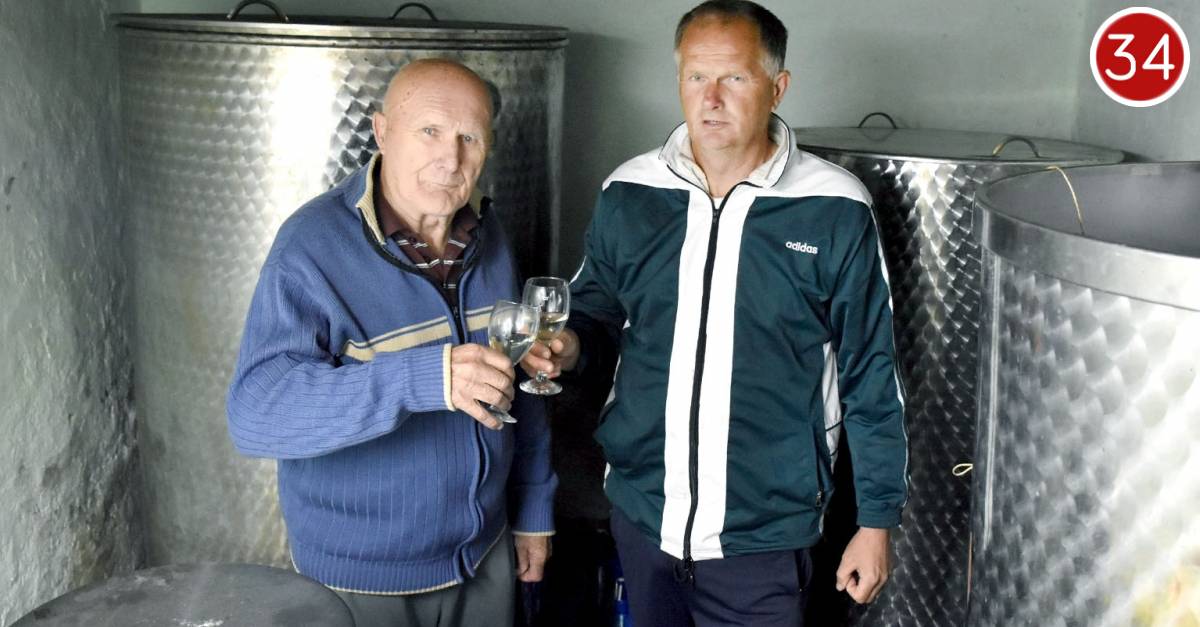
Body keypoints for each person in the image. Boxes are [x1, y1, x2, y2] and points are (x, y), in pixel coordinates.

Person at [522, 2, 907, 624]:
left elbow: (871, 371)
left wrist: (876, 520)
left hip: (765, 535)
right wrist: (569, 347)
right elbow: (594, 314)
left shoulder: (834, 207)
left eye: (734, 77)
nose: (712, 99)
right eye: (696, 77)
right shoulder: (631, 192)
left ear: (777, 87)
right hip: (644, 515)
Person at [226, 59, 555, 627]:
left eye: (470, 137)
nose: (450, 158)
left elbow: (520, 385)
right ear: (382, 132)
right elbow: (255, 414)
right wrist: (425, 378)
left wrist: (533, 509)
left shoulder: (489, 234)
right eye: (430, 131)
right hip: (362, 578)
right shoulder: (312, 246)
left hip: (486, 558)